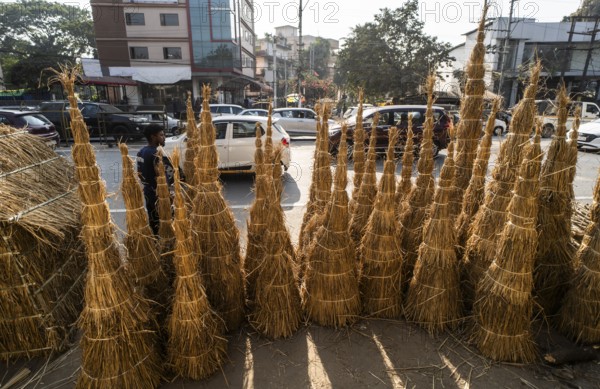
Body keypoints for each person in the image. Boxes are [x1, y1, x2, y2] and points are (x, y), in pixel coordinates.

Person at [136, 124, 174, 235]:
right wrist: (169, 193)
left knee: (153, 220)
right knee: (165, 221)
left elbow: (139, 174)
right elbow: (161, 176)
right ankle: (165, 245)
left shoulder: (141, 152)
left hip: (148, 192)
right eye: (161, 135)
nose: (164, 137)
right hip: (159, 195)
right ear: (153, 137)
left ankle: (156, 243)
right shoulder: (156, 153)